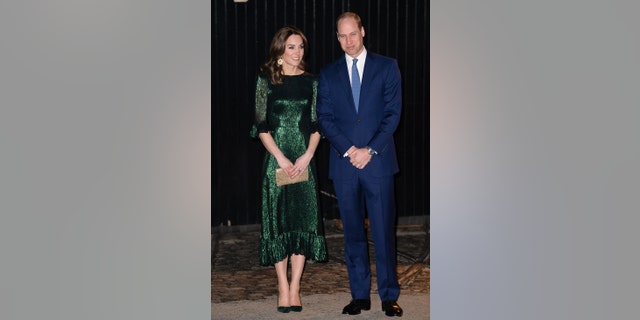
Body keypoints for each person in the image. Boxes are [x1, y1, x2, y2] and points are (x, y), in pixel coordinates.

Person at [316, 12, 403, 317]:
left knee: (382, 232)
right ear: (337, 37)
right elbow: (324, 119)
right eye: (342, 36)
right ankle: (360, 296)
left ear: (363, 32)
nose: (348, 41)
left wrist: (370, 150)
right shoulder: (327, 75)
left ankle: (389, 295)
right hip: (344, 165)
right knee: (352, 233)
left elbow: (393, 114)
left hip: (377, 163)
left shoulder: (387, 66)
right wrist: (351, 149)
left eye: (353, 34)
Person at [249, 25, 327, 314]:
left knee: (302, 223)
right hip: (277, 162)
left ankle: (296, 288)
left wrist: (308, 155)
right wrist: (281, 158)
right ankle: (282, 287)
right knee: (280, 223)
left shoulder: (313, 82)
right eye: (291, 47)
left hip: (305, 162)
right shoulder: (265, 80)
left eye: (301, 47)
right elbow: (261, 125)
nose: (297, 52)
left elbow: (318, 124)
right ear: (280, 50)